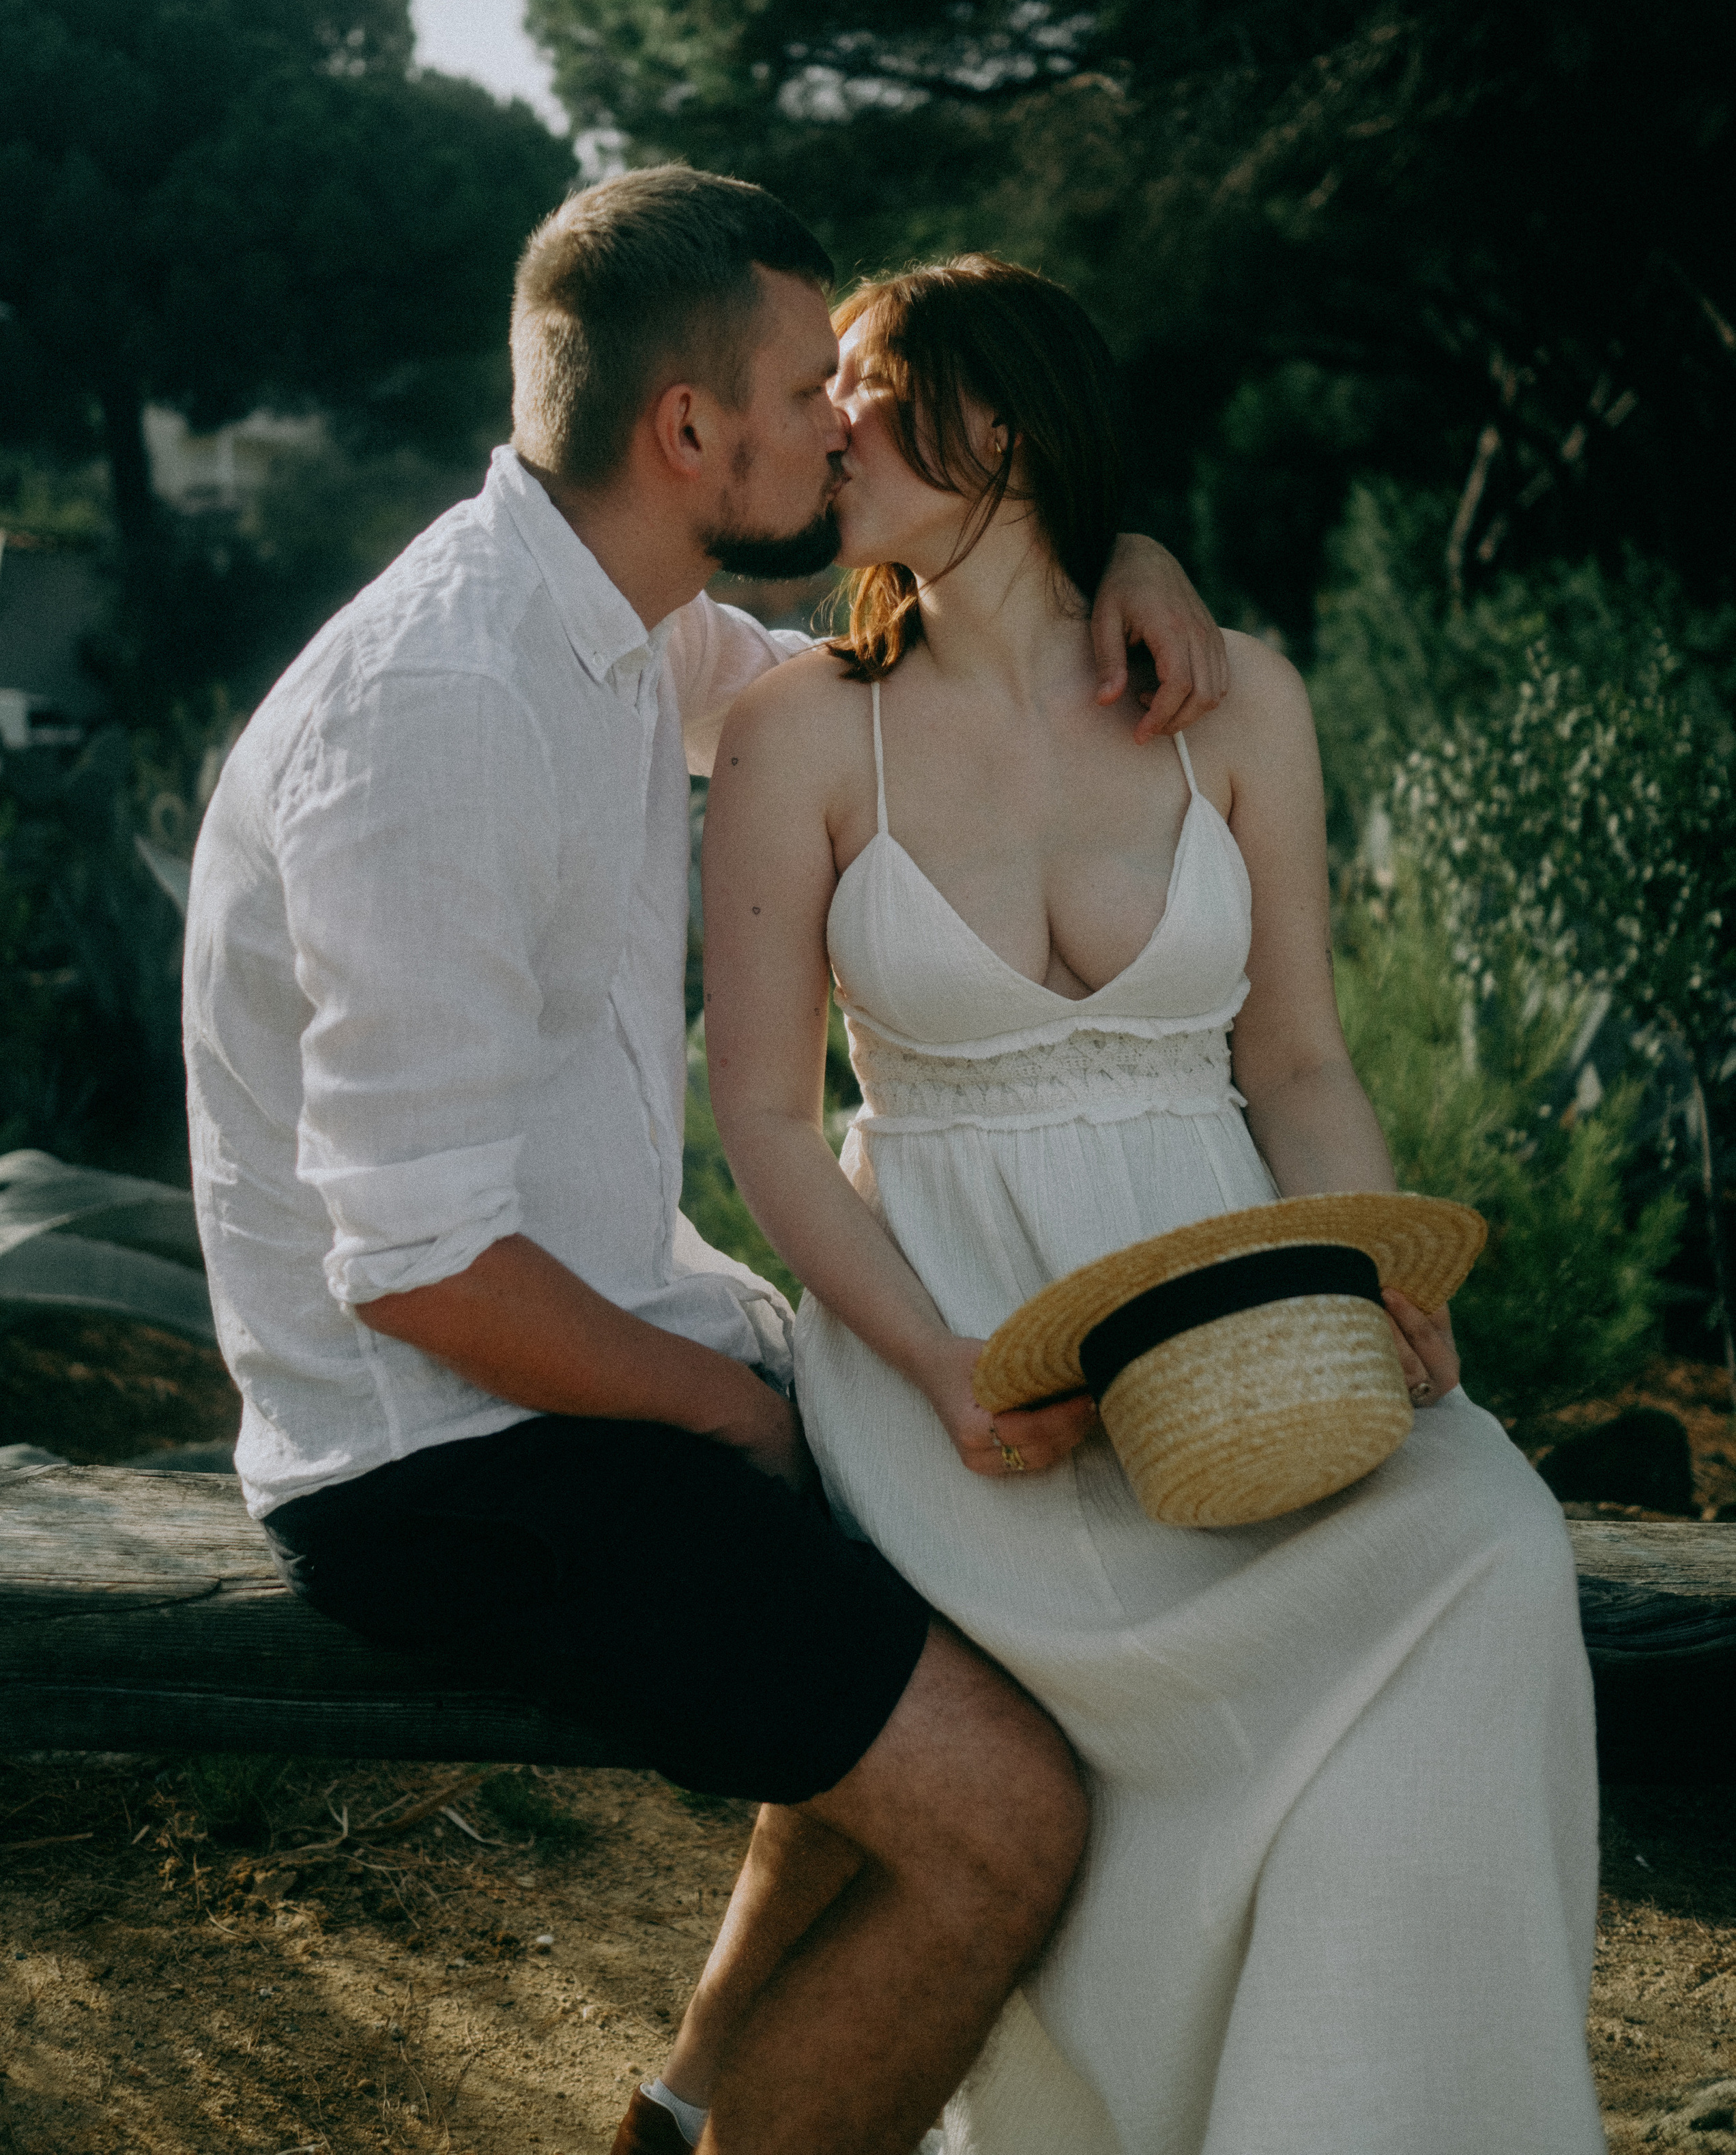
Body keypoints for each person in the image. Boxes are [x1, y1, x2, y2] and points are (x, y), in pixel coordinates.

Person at [181, 169, 1230, 2155]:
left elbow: (882, 695)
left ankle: (686, 2114)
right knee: (1008, 1825)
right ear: (687, 432)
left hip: (567, 1377)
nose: (847, 421)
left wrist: (1125, 558)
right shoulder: (446, 706)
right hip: (441, 1458)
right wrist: (725, 1416)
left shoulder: (613, 633)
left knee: (939, 1600)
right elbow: (409, 1268)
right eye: (809, 387)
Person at [695, 255, 1605, 2155]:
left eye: (864, 381)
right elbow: (770, 1125)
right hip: (952, 1360)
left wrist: (1368, 1267)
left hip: (1229, 1327)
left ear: (1000, 421)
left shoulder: (1231, 697)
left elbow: (1296, 1062)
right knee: (1089, 1764)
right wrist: (943, 1368)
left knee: (1492, 1545)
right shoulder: (795, 730)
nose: (824, 418)